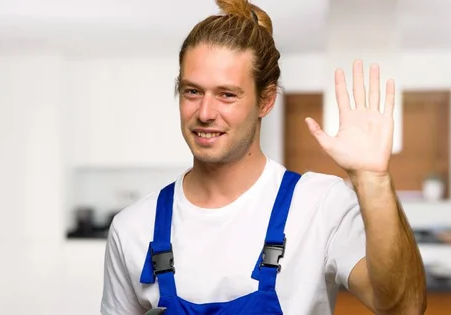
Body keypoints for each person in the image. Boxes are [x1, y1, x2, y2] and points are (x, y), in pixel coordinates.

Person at [100, 0, 427, 314]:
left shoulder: (319, 206)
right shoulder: (133, 227)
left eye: (227, 94)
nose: (205, 112)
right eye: (192, 91)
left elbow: (403, 307)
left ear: (266, 101)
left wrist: (373, 178)